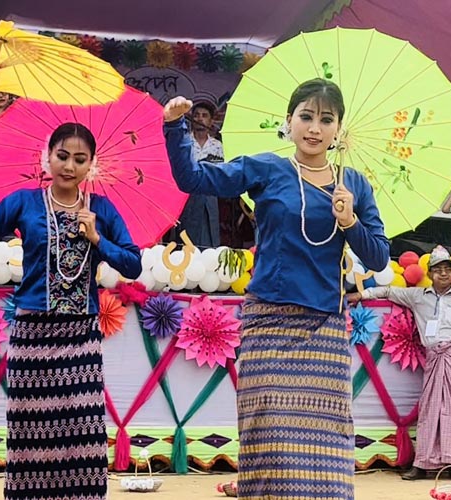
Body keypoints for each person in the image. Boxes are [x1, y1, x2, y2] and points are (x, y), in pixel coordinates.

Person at [164, 78, 390, 499]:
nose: (315, 128)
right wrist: (175, 128)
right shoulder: (267, 169)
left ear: (338, 128)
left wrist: (350, 222)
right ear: (289, 121)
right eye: (306, 116)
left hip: (323, 327)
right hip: (269, 321)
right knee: (267, 433)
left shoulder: (354, 185)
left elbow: (378, 257)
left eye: (326, 119)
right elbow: (193, 179)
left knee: (323, 442)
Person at [0, 122, 141, 500]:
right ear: (46, 157)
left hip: (80, 336)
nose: (69, 166)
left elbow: (133, 264)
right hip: (32, 332)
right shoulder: (25, 202)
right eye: (62, 156)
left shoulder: (101, 209)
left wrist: (97, 239)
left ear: (91, 164)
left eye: (79, 159)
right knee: (29, 429)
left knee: (80, 429)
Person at [349, 245, 451, 481]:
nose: (443, 273)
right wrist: (361, 295)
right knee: (431, 410)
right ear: (429, 274)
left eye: (447, 269)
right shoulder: (418, 296)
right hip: (434, 357)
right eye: (438, 270)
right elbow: (388, 291)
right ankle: (423, 464)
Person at [172, 100, 224, 248]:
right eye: (196, 115)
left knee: (210, 238)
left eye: (204, 116)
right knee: (186, 240)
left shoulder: (218, 146)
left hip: (210, 196)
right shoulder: (184, 143)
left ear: (211, 121)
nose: (200, 119)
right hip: (187, 197)